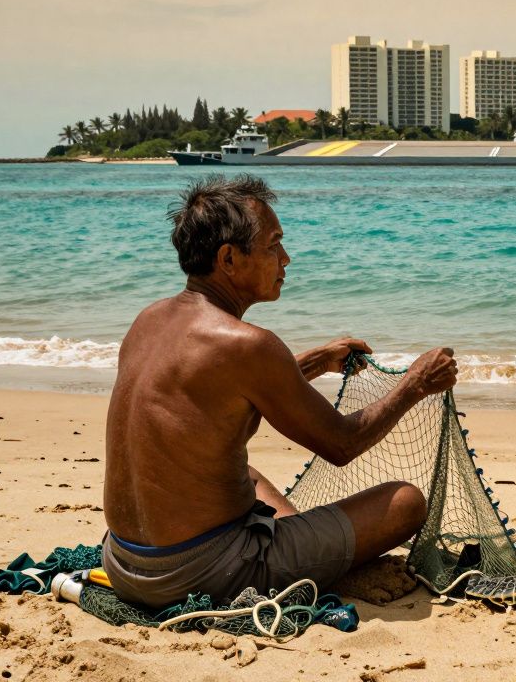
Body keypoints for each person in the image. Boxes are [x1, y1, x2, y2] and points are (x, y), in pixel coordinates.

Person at [101, 173, 457, 607]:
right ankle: (315, 562)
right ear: (229, 258)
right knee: (405, 502)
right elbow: (341, 444)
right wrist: (415, 384)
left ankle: (306, 547)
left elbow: (219, 393)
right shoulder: (249, 345)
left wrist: (314, 362)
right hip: (204, 573)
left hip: (124, 565)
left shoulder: (149, 320)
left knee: (245, 475)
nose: (285, 259)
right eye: (273, 245)